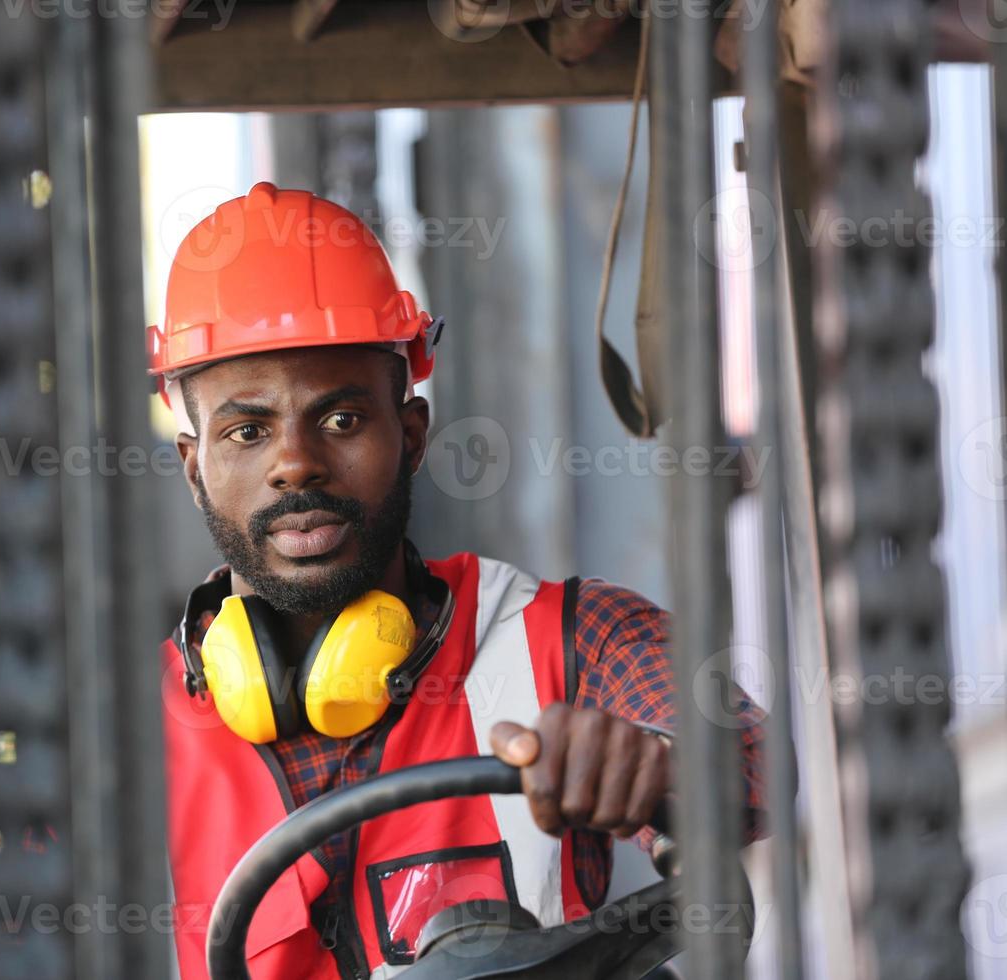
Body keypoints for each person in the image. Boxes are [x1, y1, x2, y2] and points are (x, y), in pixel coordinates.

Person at [149, 182, 767, 979]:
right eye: (247, 431)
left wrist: (652, 764)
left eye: (341, 419)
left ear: (410, 434)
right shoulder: (133, 743)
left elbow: (745, 754)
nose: (296, 463)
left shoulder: (568, 641)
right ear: (194, 467)